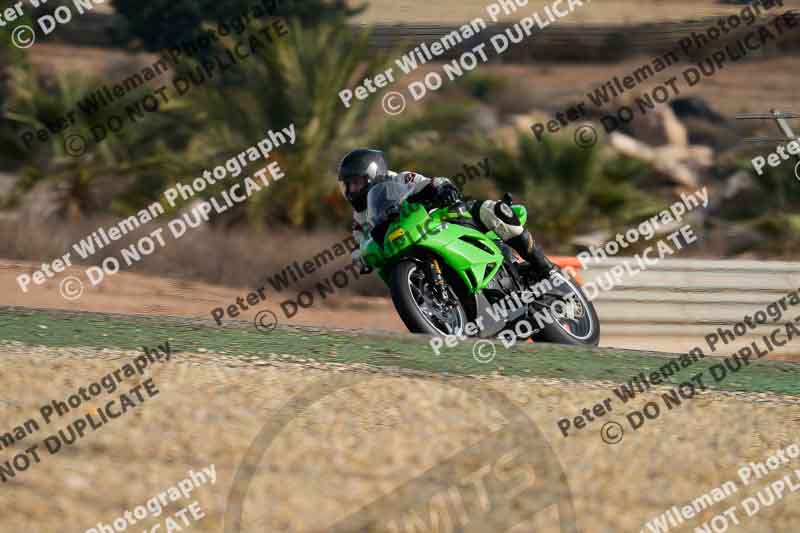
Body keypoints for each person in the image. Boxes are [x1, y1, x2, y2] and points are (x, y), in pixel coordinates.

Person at [337, 148, 555, 279]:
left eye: (354, 183)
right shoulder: (359, 219)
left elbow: (431, 183)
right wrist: (359, 260)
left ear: (372, 175)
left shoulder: (400, 179)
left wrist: (445, 189)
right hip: (408, 243)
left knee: (495, 211)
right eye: (346, 185)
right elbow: (361, 245)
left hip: (440, 218)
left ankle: (546, 269)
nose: (350, 191)